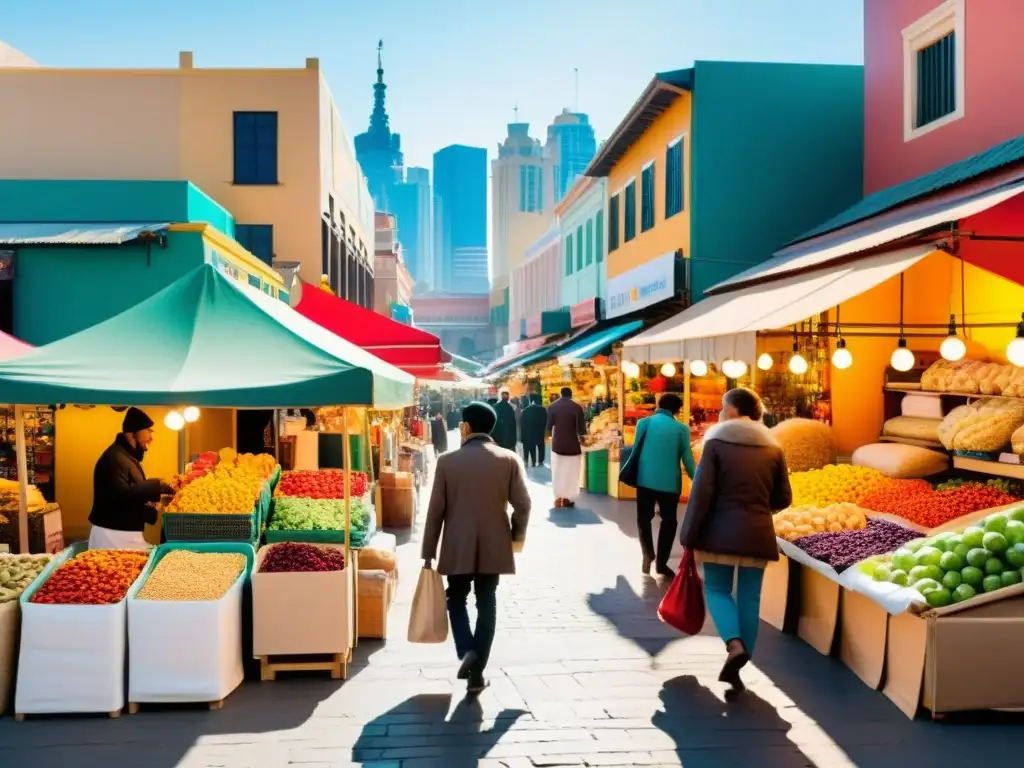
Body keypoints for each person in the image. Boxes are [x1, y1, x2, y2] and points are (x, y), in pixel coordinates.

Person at [679, 388, 792, 699]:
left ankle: (733, 644)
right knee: (750, 597)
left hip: (718, 532)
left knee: (716, 589)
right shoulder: (773, 447)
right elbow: (784, 499)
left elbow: (701, 495)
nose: (718, 411)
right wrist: (755, 510)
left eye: (721, 406)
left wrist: (688, 535)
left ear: (730, 411)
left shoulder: (716, 444)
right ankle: (740, 666)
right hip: (758, 533)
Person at [422, 401, 531, 693]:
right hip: (495, 543)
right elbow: (523, 504)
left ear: (466, 427)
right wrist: (515, 538)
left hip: (457, 544)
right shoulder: (507, 459)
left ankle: (466, 649)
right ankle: (477, 673)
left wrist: (428, 553)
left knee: (456, 598)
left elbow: (435, 512)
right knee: (487, 603)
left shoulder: (446, 461)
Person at [621, 393, 696, 578]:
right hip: (670, 482)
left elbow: (637, 447)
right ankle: (662, 564)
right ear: (677, 409)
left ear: (659, 405)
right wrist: (697, 479)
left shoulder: (643, 423)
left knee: (643, 518)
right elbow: (687, 458)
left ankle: (648, 553)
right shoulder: (681, 429)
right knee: (669, 521)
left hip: (645, 479)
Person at [88, 407, 174, 550]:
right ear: (131, 433)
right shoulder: (114, 458)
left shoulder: (125, 457)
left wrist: (154, 501)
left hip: (126, 534)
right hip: (112, 535)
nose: (151, 438)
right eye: (148, 431)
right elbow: (121, 494)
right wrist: (157, 487)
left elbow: (131, 496)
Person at [546, 387, 586, 508]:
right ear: (571, 394)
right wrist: (584, 440)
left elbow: (548, 425)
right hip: (573, 446)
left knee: (558, 472)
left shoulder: (553, 406)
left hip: (558, 445)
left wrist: (547, 437)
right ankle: (568, 498)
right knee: (571, 473)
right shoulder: (577, 407)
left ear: (560, 394)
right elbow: (581, 429)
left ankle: (558, 498)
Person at [520, 394, 548, 468]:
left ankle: (533, 461)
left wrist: (522, 435)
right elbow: (545, 421)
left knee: (531, 447)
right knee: (541, 446)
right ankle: (540, 461)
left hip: (529, 432)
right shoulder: (543, 409)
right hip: (540, 432)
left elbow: (522, 424)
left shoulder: (525, 410)